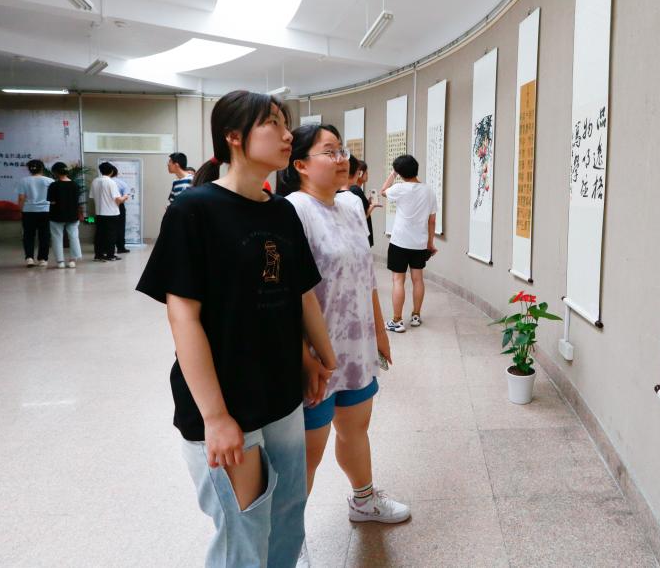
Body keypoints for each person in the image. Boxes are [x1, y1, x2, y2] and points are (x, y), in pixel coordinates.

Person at [136, 90, 337, 568]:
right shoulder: (195, 209)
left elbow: (297, 294)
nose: (287, 134)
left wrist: (316, 357)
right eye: (273, 123)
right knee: (244, 534)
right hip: (226, 403)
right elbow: (182, 317)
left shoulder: (281, 211)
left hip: (280, 394)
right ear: (233, 136)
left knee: (288, 514)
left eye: (286, 123)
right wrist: (215, 418)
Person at [283, 124, 410, 534]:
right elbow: (288, 294)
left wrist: (379, 331)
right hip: (315, 355)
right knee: (308, 452)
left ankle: (364, 500)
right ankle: (287, 538)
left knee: (355, 428)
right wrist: (303, 357)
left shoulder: (352, 205)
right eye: (330, 151)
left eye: (342, 151)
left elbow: (365, 275)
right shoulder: (292, 211)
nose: (342, 159)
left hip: (356, 346)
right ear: (301, 165)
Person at [381, 154, 438, 332]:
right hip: (420, 243)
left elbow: (383, 191)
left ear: (400, 172)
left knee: (398, 280)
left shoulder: (399, 188)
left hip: (399, 241)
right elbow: (432, 221)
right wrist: (430, 243)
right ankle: (416, 316)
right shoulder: (429, 191)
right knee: (418, 279)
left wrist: (393, 174)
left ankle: (397, 321)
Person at [17, 159, 53, 267]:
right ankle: (43, 259)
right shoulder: (50, 181)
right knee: (44, 235)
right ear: (42, 168)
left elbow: (21, 198)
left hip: (28, 211)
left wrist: (20, 210)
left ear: (29, 169)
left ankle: (29, 258)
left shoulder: (23, 181)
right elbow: (53, 199)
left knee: (28, 235)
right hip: (45, 211)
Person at [47, 162, 83, 269]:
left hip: (56, 215)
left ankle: (60, 262)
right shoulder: (75, 185)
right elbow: (77, 201)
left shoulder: (54, 185)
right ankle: (73, 260)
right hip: (72, 215)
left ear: (55, 172)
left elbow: (52, 201)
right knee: (74, 237)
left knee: (57, 237)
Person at [90, 162, 127, 262]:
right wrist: (125, 197)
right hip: (111, 213)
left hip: (99, 212)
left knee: (99, 235)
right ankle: (110, 255)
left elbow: (92, 196)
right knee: (111, 235)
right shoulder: (111, 182)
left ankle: (98, 255)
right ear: (111, 171)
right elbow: (118, 200)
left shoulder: (95, 181)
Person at [343, 158, 375, 247]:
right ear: (359, 173)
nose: (367, 175)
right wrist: (373, 206)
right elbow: (363, 216)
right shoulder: (356, 190)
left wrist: (368, 202)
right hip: (360, 236)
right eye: (366, 172)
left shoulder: (353, 189)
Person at [110, 166, 132, 253]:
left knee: (107, 228)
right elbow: (126, 196)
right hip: (119, 206)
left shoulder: (100, 182)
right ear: (116, 173)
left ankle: (106, 248)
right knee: (120, 227)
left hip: (104, 207)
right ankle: (120, 247)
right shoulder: (122, 183)